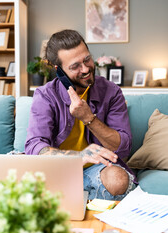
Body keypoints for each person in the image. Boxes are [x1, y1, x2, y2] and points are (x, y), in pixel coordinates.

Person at [25, 29, 136, 200]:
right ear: (59, 70)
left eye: (87, 59)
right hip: (58, 168)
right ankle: (80, 199)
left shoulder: (111, 92)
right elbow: (35, 146)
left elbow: (123, 148)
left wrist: (88, 118)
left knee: (118, 179)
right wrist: (78, 157)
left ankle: (68, 198)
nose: (85, 69)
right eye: (75, 66)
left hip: (97, 169)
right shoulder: (45, 95)